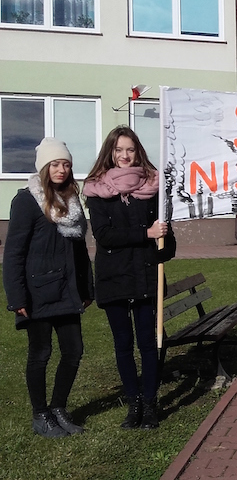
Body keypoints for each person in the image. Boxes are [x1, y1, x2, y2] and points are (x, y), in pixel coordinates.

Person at [83, 126, 176, 429]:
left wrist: (164, 242)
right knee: (123, 344)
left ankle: (149, 403)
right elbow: (104, 236)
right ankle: (133, 402)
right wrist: (145, 233)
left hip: (146, 275)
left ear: (138, 151)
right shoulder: (97, 190)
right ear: (110, 153)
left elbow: (166, 239)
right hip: (114, 278)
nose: (124, 156)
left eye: (130, 150)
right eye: (118, 150)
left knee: (148, 343)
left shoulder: (152, 186)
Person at [3, 138, 94, 438]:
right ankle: (40, 415)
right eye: (55, 164)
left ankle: (58, 408)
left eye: (66, 164)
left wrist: (86, 288)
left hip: (67, 291)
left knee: (74, 351)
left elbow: (79, 250)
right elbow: (14, 252)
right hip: (37, 293)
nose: (62, 169)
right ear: (44, 166)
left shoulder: (71, 201)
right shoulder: (27, 201)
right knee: (40, 354)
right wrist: (17, 297)